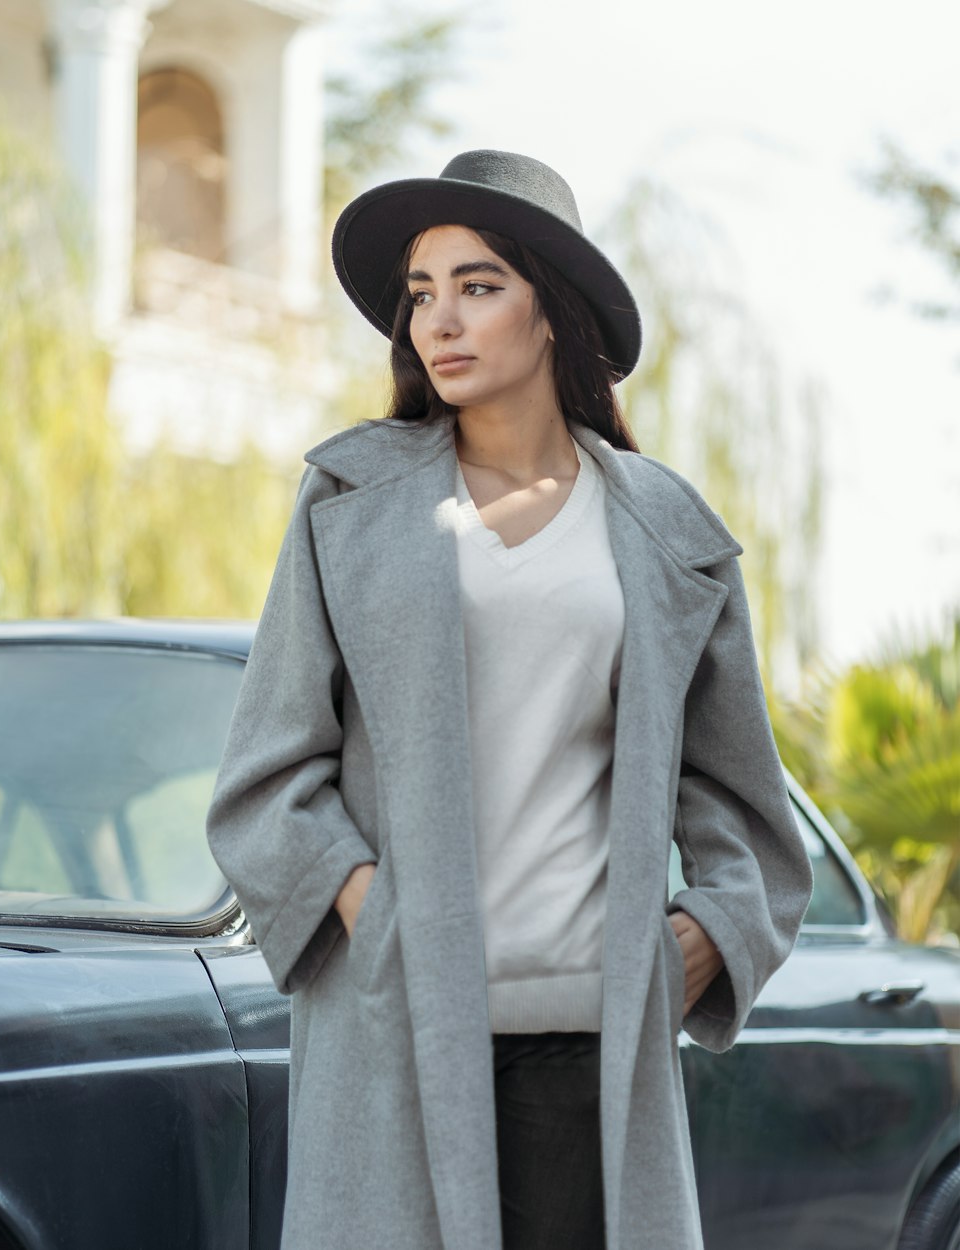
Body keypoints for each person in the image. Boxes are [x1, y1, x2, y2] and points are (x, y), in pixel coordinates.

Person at [206, 149, 814, 1250]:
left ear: (552, 313)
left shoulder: (665, 532)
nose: (440, 319)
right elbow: (267, 774)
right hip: (396, 1031)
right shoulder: (348, 500)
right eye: (421, 293)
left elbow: (747, 818)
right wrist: (375, 916)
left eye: (478, 285)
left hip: (590, 1046)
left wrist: (699, 938)